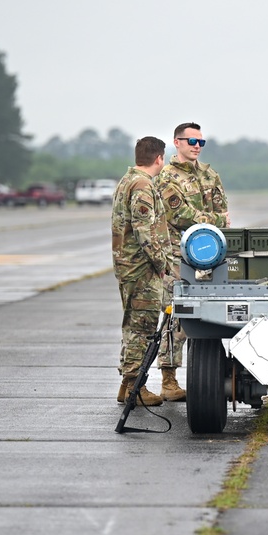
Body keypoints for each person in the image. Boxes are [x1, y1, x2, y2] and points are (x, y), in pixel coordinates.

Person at [154, 122, 230, 401]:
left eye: (200, 142)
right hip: (177, 256)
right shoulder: (166, 177)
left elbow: (224, 212)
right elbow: (179, 215)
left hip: (212, 256)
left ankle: (211, 372)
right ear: (177, 142)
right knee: (176, 316)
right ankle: (169, 380)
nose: (196, 146)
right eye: (191, 141)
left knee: (213, 313)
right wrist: (213, 219)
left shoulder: (210, 175)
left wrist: (215, 220)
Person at [111, 136, 173, 407]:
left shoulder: (127, 180)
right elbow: (144, 229)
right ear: (159, 158)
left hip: (129, 265)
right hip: (141, 268)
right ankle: (138, 387)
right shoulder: (142, 185)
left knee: (132, 326)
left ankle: (127, 386)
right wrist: (161, 263)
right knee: (143, 328)